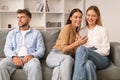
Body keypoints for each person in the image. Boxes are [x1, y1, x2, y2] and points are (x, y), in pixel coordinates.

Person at [0, 9, 45, 80]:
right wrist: (14, 57)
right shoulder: (12, 33)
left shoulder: (36, 33)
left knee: (35, 65)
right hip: (14, 58)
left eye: (22, 17)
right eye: (18, 17)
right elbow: (7, 49)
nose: (19, 20)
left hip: (30, 59)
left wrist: (32, 55)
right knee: (1, 65)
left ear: (29, 19)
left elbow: (41, 50)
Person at [46, 8, 87, 80]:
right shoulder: (67, 28)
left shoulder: (77, 33)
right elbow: (64, 50)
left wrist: (78, 44)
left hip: (63, 59)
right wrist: (77, 43)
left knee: (58, 70)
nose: (79, 19)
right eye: (76, 17)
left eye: (80, 17)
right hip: (54, 56)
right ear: (70, 18)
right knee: (68, 59)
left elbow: (73, 54)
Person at [72, 5, 110, 80]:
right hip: (87, 57)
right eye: (88, 15)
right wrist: (78, 43)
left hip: (101, 59)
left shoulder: (102, 30)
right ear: (86, 16)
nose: (90, 18)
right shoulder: (81, 30)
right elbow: (78, 52)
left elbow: (106, 51)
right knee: (88, 64)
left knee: (82, 49)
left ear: (97, 17)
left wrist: (90, 51)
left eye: (93, 16)